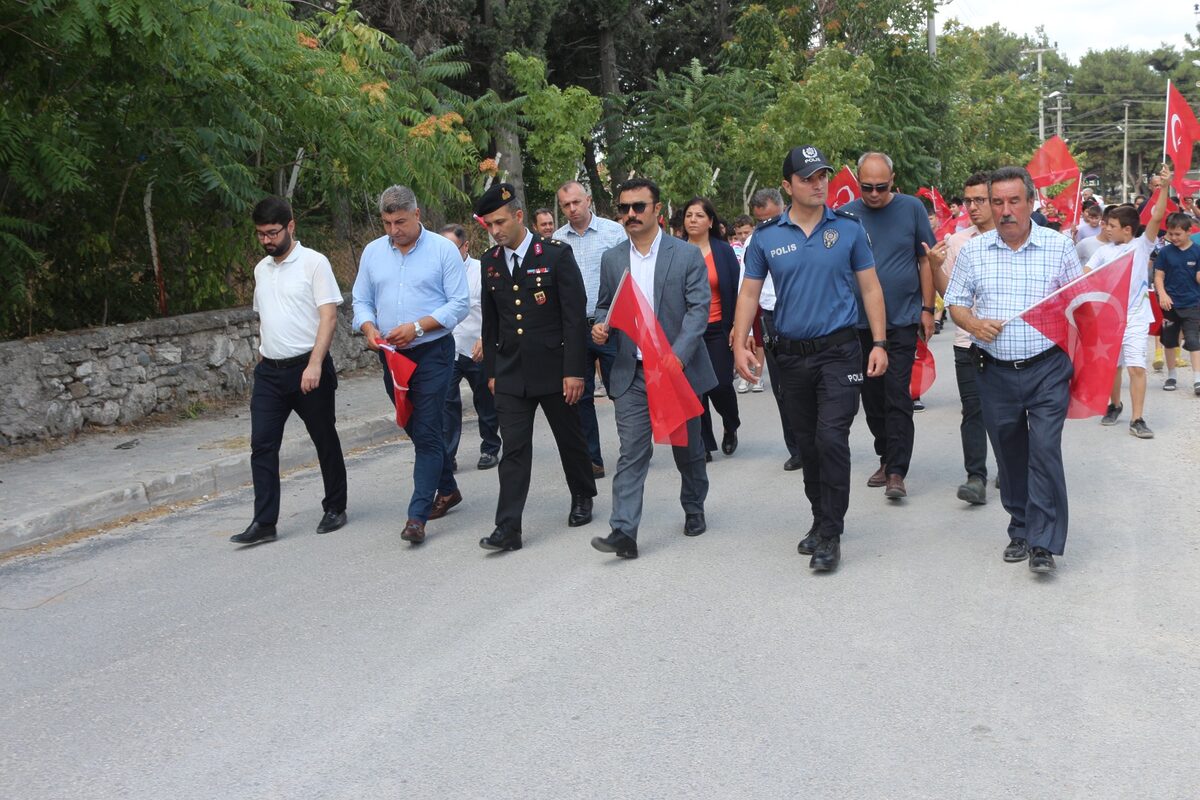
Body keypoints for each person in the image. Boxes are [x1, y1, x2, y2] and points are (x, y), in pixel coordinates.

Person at [732, 144, 889, 573]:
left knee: (831, 439)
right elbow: (749, 292)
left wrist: (879, 343)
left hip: (840, 352)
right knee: (807, 443)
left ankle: (831, 534)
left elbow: (871, 288)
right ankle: (820, 518)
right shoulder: (766, 237)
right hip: (790, 357)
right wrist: (739, 342)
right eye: (808, 178)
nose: (819, 184)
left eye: (822, 176)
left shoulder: (850, 230)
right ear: (788, 186)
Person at [944, 166, 1084, 574]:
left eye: (1014, 201)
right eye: (998, 202)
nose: (1006, 210)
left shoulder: (1058, 247)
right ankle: (1020, 527)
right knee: (1009, 454)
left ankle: (1044, 542)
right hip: (994, 370)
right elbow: (955, 302)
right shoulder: (974, 250)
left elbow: (1079, 305)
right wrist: (971, 324)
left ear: (1030, 201)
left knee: (1043, 451)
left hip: (1047, 370)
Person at [589, 178, 714, 559]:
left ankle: (694, 507)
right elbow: (604, 305)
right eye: (624, 208)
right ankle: (623, 532)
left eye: (638, 207)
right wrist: (598, 325)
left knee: (688, 450)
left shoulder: (686, 254)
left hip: (677, 372)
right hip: (633, 374)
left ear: (657, 210)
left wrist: (678, 355)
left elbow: (698, 310)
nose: (630, 214)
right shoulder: (612, 259)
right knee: (632, 452)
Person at [476, 183, 597, 552]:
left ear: (517, 217)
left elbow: (574, 318)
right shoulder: (490, 263)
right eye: (488, 226)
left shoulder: (556, 255)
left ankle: (582, 495)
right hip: (512, 372)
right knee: (513, 449)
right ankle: (508, 527)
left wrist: (575, 371)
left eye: (499, 223)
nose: (495, 231)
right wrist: (493, 372)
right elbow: (491, 323)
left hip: (555, 368)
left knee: (569, 438)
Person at [351, 185, 469, 545]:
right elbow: (360, 299)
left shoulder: (443, 250)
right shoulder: (373, 252)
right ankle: (447, 487)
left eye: (400, 221)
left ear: (417, 215)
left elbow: (459, 304)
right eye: (387, 222)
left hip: (432, 352)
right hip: (392, 356)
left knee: (429, 428)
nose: (393, 230)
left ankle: (417, 516)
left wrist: (418, 326)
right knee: (412, 424)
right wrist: (368, 327)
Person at [232, 196, 348, 545]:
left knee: (323, 437)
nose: (267, 240)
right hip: (269, 372)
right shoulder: (260, 269)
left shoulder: (314, 263)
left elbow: (329, 316)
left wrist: (314, 364)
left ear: (291, 226)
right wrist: (262, 356)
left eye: (272, 232)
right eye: (260, 234)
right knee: (262, 445)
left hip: (307, 368)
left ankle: (335, 507)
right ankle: (264, 522)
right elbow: (266, 316)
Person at [840, 151, 936, 500]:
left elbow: (925, 260)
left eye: (881, 187)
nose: (875, 194)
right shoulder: (846, 215)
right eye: (867, 187)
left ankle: (897, 470)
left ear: (893, 182)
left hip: (902, 320)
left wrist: (928, 309)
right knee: (872, 396)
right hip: (859, 324)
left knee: (897, 394)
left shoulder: (911, 209)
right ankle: (885, 455)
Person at [926, 172, 995, 506]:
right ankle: (975, 478)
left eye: (980, 200)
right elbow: (948, 296)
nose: (973, 207)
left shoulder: (1014, 238)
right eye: (969, 201)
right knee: (973, 409)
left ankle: (1011, 471)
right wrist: (935, 266)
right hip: (967, 341)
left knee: (1010, 411)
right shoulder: (957, 241)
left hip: (1009, 343)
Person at [553, 180, 628, 479]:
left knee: (621, 390)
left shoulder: (614, 232)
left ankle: (632, 449)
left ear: (587, 200)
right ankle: (592, 458)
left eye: (576, 202)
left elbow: (627, 278)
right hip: (573, 329)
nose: (572, 209)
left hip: (612, 325)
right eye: (565, 205)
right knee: (579, 395)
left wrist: (610, 320)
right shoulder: (557, 240)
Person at [1088, 170, 1167, 439]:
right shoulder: (1102, 251)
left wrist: (1164, 188)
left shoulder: (1141, 246)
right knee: (1113, 366)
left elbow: (1156, 216)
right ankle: (1115, 404)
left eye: (1111, 225)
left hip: (1135, 316)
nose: (1106, 228)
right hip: (1110, 318)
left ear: (1127, 230)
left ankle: (1138, 418)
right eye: (1105, 224)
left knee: (1136, 366)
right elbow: (1085, 274)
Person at [682, 196, 741, 460]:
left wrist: (738, 327)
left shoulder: (723, 250)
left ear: (710, 221)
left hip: (718, 328)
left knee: (721, 386)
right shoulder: (676, 251)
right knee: (696, 390)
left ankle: (731, 424)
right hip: (686, 333)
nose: (693, 220)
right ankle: (704, 443)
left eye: (699, 215)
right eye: (689, 215)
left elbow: (738, 291)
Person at [439, 224, 501, 472]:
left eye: (452, 248)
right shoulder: (436, 272)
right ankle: (448, 455)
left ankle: (489, 448)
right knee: (446, 404)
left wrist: (487, 340)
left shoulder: (482, 270)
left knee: (485, 402)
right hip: (447, 350)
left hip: (478, 348)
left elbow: (494, 308)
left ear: (465, 247)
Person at [746, 188, 801, 467]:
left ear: (783, 208)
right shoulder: (753, 243)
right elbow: (747, 293)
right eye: (760, 221)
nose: (766, 226)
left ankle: (819, 444)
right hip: (770, 319)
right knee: (782, 388)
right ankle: (796, 449)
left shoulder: (802, 232)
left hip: (803, 315)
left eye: (772, 219)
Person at [1154, 210, 1200, 394]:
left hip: (1192, 303)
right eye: (1170, 234)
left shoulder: (1197, 251)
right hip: (1169, 304)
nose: (1174, 237)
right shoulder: (1165, 252)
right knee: (1170, 340)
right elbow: (1158, 276)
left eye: (1178, 234)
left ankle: (1198, 379)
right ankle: (1171, 375)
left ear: (1189, 231)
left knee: (1194, 340)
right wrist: (1162, 294)